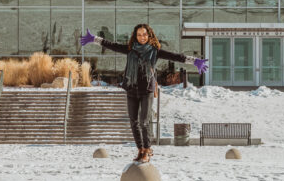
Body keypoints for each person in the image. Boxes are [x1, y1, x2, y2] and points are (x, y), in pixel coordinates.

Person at [81, 24, 207, 163]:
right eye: (139, 35)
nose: (142, 37)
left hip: (146, 89)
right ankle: (140, 149)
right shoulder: (130, 50)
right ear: (135, 36)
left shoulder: (155, 51)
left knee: (144, 121)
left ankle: (147, 150)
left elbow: (175, 56)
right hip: (131, 89)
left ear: (149, 35)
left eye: (145, 34)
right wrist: (94, 39)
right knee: (133, 121)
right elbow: (111, 45)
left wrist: (194, 61)